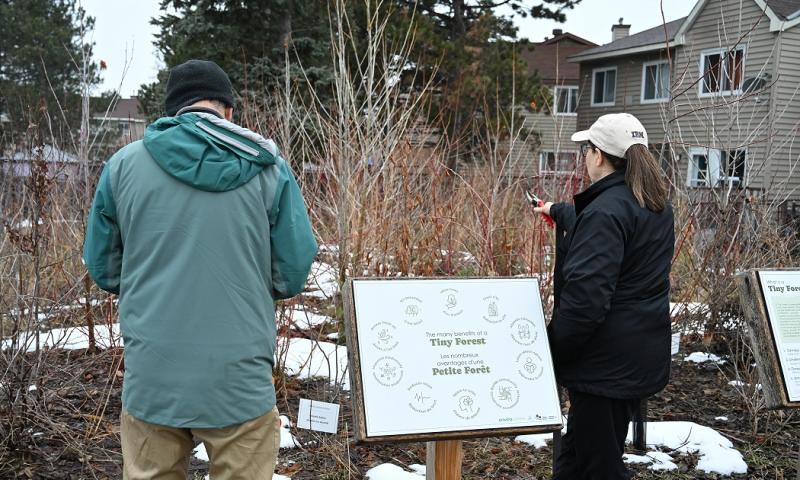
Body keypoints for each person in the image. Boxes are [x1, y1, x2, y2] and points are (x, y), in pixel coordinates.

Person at [83, 59, 317, 480]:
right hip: (239, 375)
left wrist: (149, 284)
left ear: (173, 111)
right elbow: (294, 269)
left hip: (154, 372)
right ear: (227, 110)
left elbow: (103, 267)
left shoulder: (122, 166)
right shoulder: (267, 166)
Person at [533, 113, 674, 479]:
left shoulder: (605, 213)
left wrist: (552, 351)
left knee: (600, 467)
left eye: (586, 150)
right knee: (576, 458)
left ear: (598, 155)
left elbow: (585, 302)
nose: (584, 157)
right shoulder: (653, 203)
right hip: (634, 354)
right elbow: (594, 218)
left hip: (602, 365)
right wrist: (554, 210)